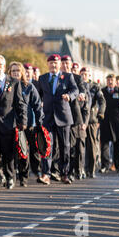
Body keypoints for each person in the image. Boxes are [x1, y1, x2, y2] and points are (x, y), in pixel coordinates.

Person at [37, 54, 78, 184]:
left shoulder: (67, 76)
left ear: (59, 64)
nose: (53, 65)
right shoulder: (42, 78)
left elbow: (75, 90)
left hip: (63, 116)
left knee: (65, 146)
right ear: (47, 64)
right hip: (48, 117)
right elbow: (38, 96)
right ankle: (46, 174)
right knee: (47, 146)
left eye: (56, 63)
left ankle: (64, 173)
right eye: (51, 63)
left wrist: (69, 96)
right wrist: (40, 105)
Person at [0, 55, 27, 190]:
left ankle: (10, 177)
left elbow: (20, 103)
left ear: (4, 67)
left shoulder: (14, 82)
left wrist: (23, 121)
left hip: (8, 123)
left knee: (8, 154)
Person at [9, 62, 43, 186]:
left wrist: (39, 123)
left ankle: (25, 176)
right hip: (10, 124)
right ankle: (11, 176)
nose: (16, 73)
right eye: (13, 71)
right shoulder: (8, 86)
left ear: (22, 72)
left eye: (18, 70)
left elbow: (37, 105)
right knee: (12, 152)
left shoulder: (28, 86)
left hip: (27, 125)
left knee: (25, 151)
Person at [99, 74, 119, 173]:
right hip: (105, 120)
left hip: (117, 121)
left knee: (118, 144)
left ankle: (118, 164)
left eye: (112, 80)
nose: (110, 82)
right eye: (108, 80)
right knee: (104, 144)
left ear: (115, 81)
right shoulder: (102, 91)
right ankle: (104, 165)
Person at [81, 67, 105, 178]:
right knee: (79, 146)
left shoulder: (95, 87)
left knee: (91, 145)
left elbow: (102, 100)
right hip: (79, 119)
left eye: (86, 74)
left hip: (91, 120)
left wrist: (100, 113)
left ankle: (91, 169)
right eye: (82, 74)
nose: (84, 76)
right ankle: (80, 169)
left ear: (89, 76)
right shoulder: (77, 85)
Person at [23, 63, 45, 182]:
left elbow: (40, 101)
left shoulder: (37, 84)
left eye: (29, 71)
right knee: (22, 148)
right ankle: (24, 172)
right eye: (25, 71)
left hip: (33, 121)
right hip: (22, 121)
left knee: (35, 148)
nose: (27, 73)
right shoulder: (19, 84)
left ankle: (37, 170)